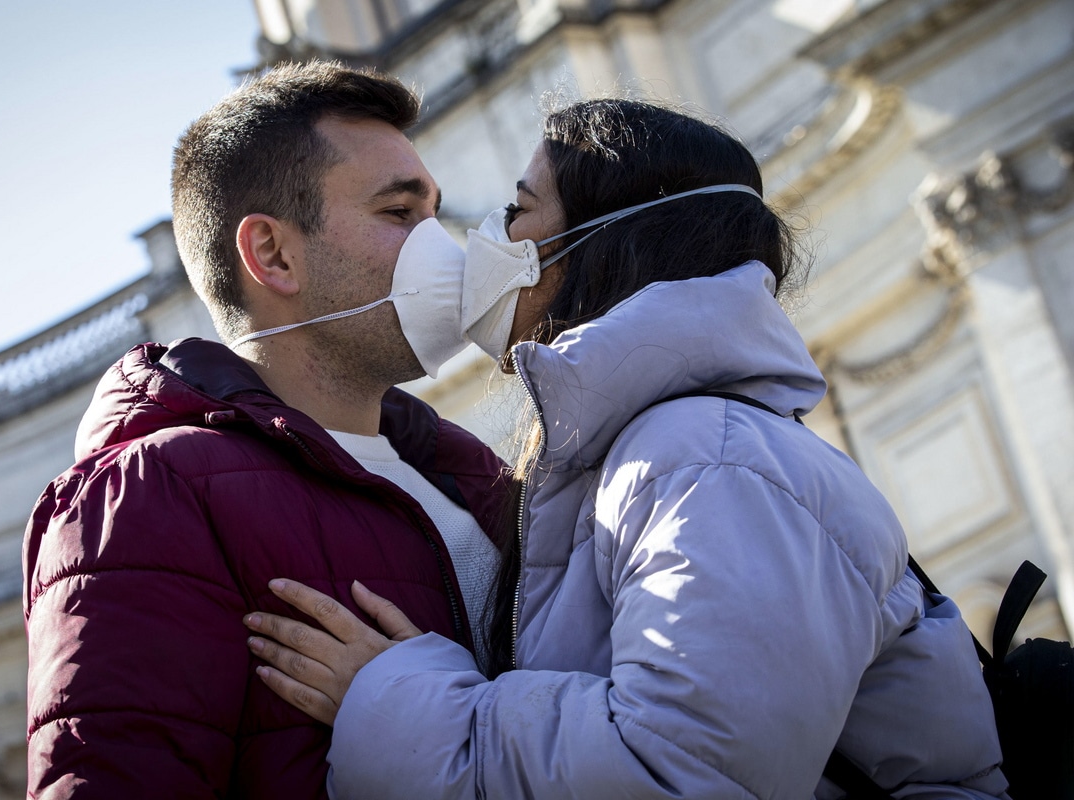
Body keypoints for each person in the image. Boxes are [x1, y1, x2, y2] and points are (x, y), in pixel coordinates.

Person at [242, 99, 1010, 798]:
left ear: (595, 245)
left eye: (517, 211)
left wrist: (396, 698)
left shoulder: (709, 461)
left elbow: (679, 774)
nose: (485, 241)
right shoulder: (666, 451)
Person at [21, 61, 507, 799]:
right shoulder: (145, 498)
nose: (443, 247)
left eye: (436, 212)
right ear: (272, 254)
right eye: (401, 214)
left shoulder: (473, 473)